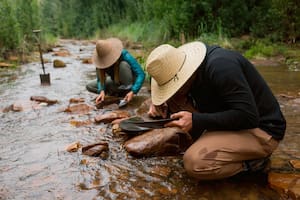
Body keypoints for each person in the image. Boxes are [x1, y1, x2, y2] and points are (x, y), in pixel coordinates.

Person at [145, 41, 286, 180]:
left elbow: (248, 117)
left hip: (261, 129)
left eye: (173, 87)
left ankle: (253, 164)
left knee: (195, 163)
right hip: (230, 120)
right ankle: (210, 143)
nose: (172, 92)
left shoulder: (222, 68)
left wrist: (196, 120)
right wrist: (161, 102)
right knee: (174, 100)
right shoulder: (192, 69)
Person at [86, 38, 145, 104]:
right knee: (89, 86)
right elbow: (100, 80)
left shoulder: (124, 54)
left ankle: (126, 92)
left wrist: (133, 91)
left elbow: (141, 74)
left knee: (123, 65)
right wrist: (102, 91)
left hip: (129, 83)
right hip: (116, 83)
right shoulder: (99, 62)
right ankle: (115, 94)